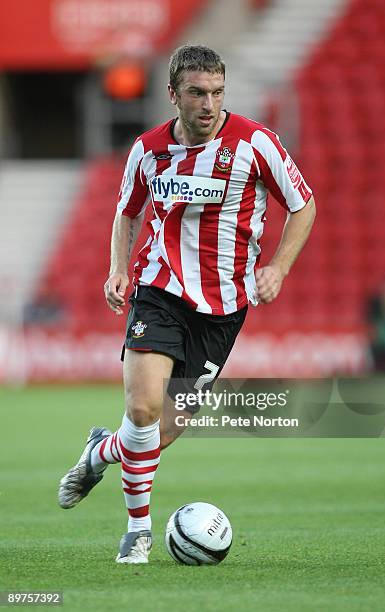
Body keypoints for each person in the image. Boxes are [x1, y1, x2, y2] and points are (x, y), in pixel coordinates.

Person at [58, 45, 316, 564]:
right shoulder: (147, 149)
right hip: (159, 291)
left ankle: (101, 451)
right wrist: (117, 269)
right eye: (197, 93)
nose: (208, 104)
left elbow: (304, 203)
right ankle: (138, 533)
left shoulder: (255, 143)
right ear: (173, 94)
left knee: (161, 431)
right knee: (143, 408)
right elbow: (126, 211)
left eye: (218, 93)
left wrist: (279, 267)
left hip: (222, 308)